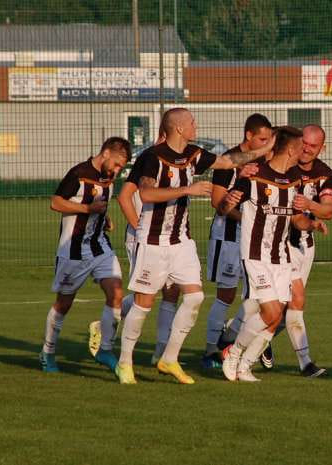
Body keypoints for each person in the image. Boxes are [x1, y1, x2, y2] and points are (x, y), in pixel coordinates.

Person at [115, 107, 274, 385]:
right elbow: (147, 192)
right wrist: (187, 190)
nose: (195, 126)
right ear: (178, 128)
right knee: (144, 303)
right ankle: (124, 362)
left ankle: (169, 358)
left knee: (195, 297)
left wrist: (266, 148)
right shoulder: (153, 157)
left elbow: (227, 162)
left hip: (181, 241)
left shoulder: (193, 154)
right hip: (152, 240)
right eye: (191, 122)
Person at [219, 126, 327, 382]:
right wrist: (228, 201)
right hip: (256, 255)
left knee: (276, 316)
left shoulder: (294, 180)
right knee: (269, 312)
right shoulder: (255, 176)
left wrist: (312, 223)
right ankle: (233, 353)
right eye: (302, 146)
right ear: (291, 148)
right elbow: (223, 207)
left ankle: (245, 365)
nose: (305, 151)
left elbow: (297, 219)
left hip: (281, 256)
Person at [86, 132, 182, 367]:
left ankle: (160, 352)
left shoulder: (177, 161)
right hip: (144, 237)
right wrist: (139, 228)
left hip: (167, 238)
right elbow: (124, 197)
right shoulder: (148, 159)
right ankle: (111, 328)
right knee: (148, 292)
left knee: (171, 291)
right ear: (165, 135)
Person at [38, 137, 131, 374]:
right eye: (118, 164)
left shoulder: (108, 176)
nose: (118, 171)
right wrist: (87, 209)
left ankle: (105, 349)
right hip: (73, 250)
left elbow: (98, 205)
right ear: (107, 153)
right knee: (63, 304)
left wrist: (103, 217)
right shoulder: (79, 173)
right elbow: (56, 203)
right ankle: (47, 352)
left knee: (117, 292)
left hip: (99, 246)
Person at [201, 113, 273, 369]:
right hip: (228, 237)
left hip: (254, 240)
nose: (267, 145)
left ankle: (240, 337)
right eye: (262, 139)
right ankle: (211, 350)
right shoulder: (229, 161)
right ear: (249, 136)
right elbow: (217, 203)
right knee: (226, 295)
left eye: (270, 140)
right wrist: (246, 217)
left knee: (260, 295)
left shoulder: (266, 162)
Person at [282, 123, 332, 377]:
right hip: (279, 243)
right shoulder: (284, 166)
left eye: (313, 146)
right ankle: (305, 363)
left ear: (321, 148)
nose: (306, 149)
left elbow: (329, 210)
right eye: (303, 143)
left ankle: (233, 339)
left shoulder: (325, 174)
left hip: (305, 244)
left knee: (280, 308)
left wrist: (310, 206)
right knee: (295, 299)